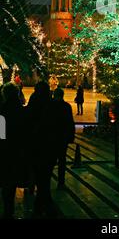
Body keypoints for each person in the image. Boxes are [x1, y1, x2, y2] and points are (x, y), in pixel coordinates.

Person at [26, 81, 57, 217]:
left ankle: (41, 205)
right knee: (45, 176)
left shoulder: (33, 105)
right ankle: (44, 205)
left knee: (40, 176)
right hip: (50, 147)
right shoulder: (53, 106)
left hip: (35, 146)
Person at [0, 83, 27, 219]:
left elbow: (1, 135)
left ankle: (8, 210)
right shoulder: (22, 111)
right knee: (13, 181)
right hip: (19, 151)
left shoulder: (3, 111)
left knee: (6, 182)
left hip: (5, 152)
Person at [52, 88, 75, 188]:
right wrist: (71, 136)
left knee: (51, 160)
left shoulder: (50, 106)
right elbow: (70, 122)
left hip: (52, 137)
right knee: (62, 160)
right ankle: (61, 182)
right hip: (62, 137)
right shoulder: (66, 106)